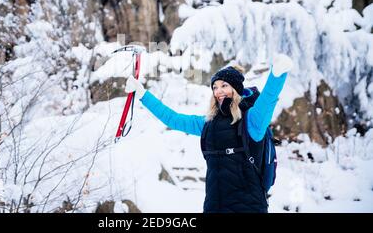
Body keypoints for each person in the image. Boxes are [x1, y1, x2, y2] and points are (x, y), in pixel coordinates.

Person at [124, 53, 293, 213]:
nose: (218, 91)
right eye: (215, 87)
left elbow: (268, 100)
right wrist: (142, 94)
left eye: (224, 86)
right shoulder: (209, 124)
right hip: (214, 206)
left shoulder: (252, 121)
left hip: (248, 207)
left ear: (236, 89)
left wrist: (277, 75)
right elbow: (173, 119)